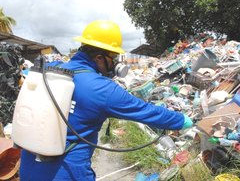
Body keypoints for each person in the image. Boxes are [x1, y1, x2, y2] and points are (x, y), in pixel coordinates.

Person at [19, 20, 193, 181]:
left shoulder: (50, 69)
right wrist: (182, 121)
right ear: (99, 57)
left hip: (28, 166)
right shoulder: (102, 89)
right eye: (113, 57)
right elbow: (146, 111)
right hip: (67, 173)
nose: (115, 63)